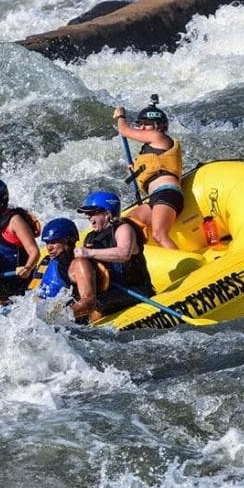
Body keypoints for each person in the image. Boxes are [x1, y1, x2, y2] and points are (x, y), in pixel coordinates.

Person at [113, 94, 184, 249]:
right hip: (155, 197)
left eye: (147, 124)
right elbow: (153, 167)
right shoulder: (154, 146)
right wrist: (136, 170)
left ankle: (186, 269)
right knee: (127, 223)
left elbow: (124, 130)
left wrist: (121, 116)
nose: (142, 128)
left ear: (159, 126)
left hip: (167, 193)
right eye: (141, 124)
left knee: (159, 235)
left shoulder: (158, 136)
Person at [73, 190, 155, 316]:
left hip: (138, 290)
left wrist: (89, 253)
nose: (89, 217)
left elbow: (123, 254)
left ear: (107, 214)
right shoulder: (90, 238)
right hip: (111, 291)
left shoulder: (123, 229)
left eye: (92, 213)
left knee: (97, 303)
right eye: (87, 214)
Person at [28, 217, 106, 322]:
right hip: (36, 316)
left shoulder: (79, 264)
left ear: (69, 241)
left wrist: (55, 317)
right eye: (47, 243)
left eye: (54, 242)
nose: (49, 248)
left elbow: (89, 303)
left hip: (61, 324)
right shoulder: (47, 261)